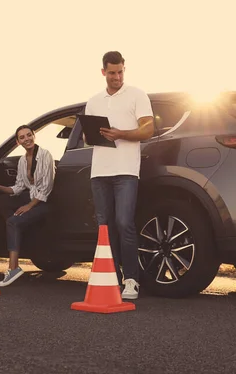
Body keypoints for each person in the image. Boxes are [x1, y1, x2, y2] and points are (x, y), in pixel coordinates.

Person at [84, 51, 154, 300]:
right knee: (105, 227)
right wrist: (90, 134)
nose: (117, 77)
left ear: (125, 69)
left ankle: (131, 280)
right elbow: (87, 135)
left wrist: (120, 133)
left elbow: (148, 128)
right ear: (103, 72)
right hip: (99, 171)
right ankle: (108, 278)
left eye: (120, 71)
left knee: (125, 223)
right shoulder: (94, 100)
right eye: (112, 72)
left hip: (125, 171)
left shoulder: (137, 94)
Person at [0, 125, 55, 287]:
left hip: (44, 202)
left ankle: (13, 268)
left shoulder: (45, 155)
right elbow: (18, 187)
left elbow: (47, 187)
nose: (27, 139)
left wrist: (29, 207)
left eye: (29, 135)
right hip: (29, 198)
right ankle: (18, 228)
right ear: (18, 142)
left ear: (34, 136)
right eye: (22, 137)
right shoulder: (22, 160)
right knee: (1, 202)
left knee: (13, 221)